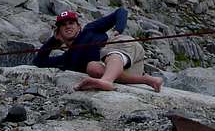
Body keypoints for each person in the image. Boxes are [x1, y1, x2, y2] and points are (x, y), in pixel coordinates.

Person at [33, 8, 163, 92]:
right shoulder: (67, 59)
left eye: (71, 23)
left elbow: (121, 12)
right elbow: (39, 61)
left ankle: (106, 81)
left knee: (109, 52)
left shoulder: (90, 29)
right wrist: (54, 40)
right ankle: (147, 80)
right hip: (127, 72)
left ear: (79, 26)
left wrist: (118, 29)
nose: (68, 27)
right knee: (93, 68)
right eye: (63, 25)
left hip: (127, 50)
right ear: (58, 32)